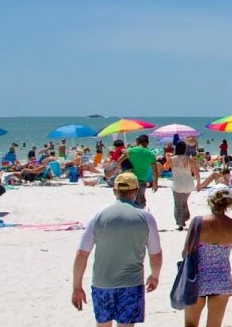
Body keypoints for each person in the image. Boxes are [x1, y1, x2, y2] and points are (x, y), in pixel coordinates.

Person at [71, 173, 163, 327]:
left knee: (103, 324)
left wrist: (77, 287)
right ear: (136, 191)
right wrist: (155, 276)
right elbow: (156, 254)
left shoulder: (98, 216)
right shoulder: (146, 217)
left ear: (114, 191)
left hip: (102, 283)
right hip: (131, 283)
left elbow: (82, 254)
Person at [182, 190, 232, 327]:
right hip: (221, 280)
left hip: (197, 279)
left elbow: (185, 252)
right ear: (228, 204)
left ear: (210, 202)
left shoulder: (198, 222)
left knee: (191, 323)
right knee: (214, 325)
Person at [169, 139, 200, 231]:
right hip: (188, 184)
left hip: (177, 184)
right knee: (183, 202)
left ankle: (180, 223)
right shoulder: (189, 159)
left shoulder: (172, 159)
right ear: (185, 149)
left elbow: (167, 168)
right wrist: (198, 184)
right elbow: (196, 173)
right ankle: (185, 217)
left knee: (178, 204)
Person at [124, 136, 158, 207]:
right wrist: (155, 183)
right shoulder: (151, 154)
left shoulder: (130, 151)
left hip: (129, 179)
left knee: (128, 201)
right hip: (142, 180)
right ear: (147, 143)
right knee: (140, 202)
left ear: (137, 142)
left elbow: (119, 161)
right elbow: (155, 171)